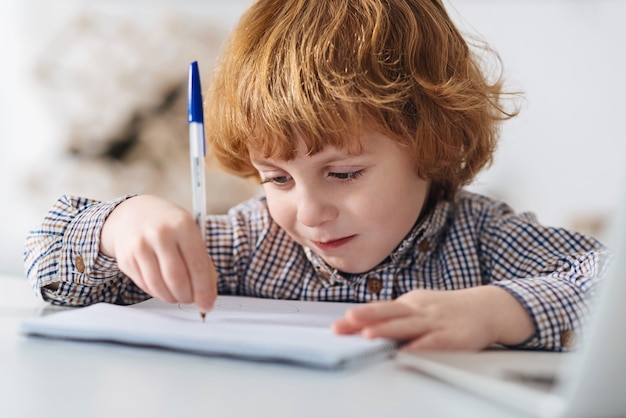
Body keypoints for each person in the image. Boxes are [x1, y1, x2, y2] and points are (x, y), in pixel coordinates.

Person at [24, 0, 605, 352]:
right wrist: (120, 225)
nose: (308, 212)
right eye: (277, 179)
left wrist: (496, 312)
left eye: (345, 173)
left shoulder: (481, 240)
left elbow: (609, 282)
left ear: (433, 143)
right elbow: (49, 252)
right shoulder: (251, 244)